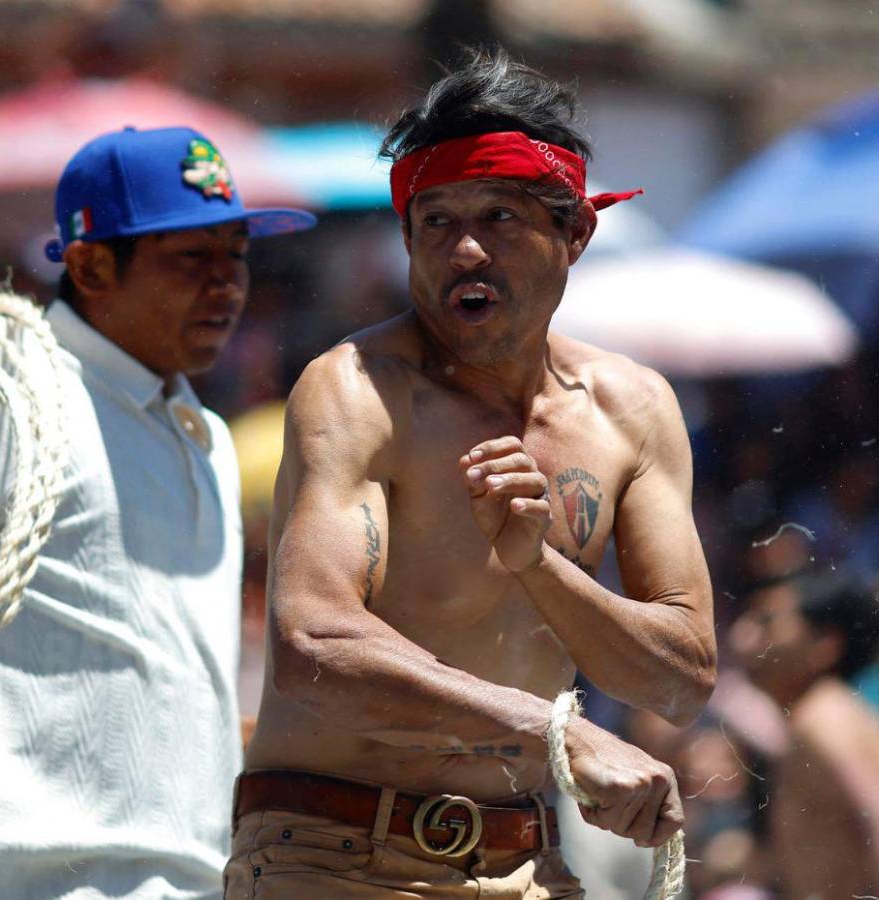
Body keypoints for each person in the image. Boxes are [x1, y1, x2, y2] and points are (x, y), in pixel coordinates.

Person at [227, 49, 716, 897]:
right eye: (435, 222)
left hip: (528, 861)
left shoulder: (632, 410)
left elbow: (679, 678)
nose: (464, 250)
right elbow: (312, 646)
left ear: (576, 233)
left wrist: (540, 566)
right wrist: (557, 737)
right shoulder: (359, 391)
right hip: (333, 852)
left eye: (498, 216)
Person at [0, 126, 315, 899]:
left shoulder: (201, 435)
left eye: (235, 253)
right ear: (92, 264)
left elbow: (161, 691)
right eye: (191, 258)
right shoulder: (1, 377)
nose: (228, 283)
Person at [729, 568, 879, 897]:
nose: (742, 636)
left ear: (825, 645)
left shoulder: (824, 720)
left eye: (766, 623)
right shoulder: (819, 716)